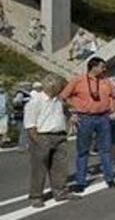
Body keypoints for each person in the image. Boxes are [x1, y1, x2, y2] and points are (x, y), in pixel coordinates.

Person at [60, 56, 115, 192]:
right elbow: (63, 97)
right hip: (85, 117)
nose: (104, 69)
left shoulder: (106, 81)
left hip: (103, 117)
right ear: (94, 67)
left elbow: (114, 96)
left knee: (105, 149)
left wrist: (114, 110)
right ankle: (81, 181)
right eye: (102, 67)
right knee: (83, 151)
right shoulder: (78, 80)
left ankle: (109, 178)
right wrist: (71, 113)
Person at [24, 74, 81, 208]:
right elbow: (30, 126)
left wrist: (71, 116)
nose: (64, 90)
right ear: (53, 87)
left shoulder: (59, 100)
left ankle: (60, 192)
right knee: (39, 168)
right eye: (62, 87)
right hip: (42, 136)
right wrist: (38, 141)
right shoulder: (35, 101)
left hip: (60, 136)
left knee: (60, 167)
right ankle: (36, 196)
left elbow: (67, 109)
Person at [12, 82, 32, 150]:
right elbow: (16, 102)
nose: (30, 87)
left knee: (25, 131)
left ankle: (26, 146)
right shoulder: (21, 93)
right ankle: (22, 147)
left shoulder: (27, 94)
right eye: (28, 85)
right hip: (21, 115)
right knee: (23, 131)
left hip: (24, 114)